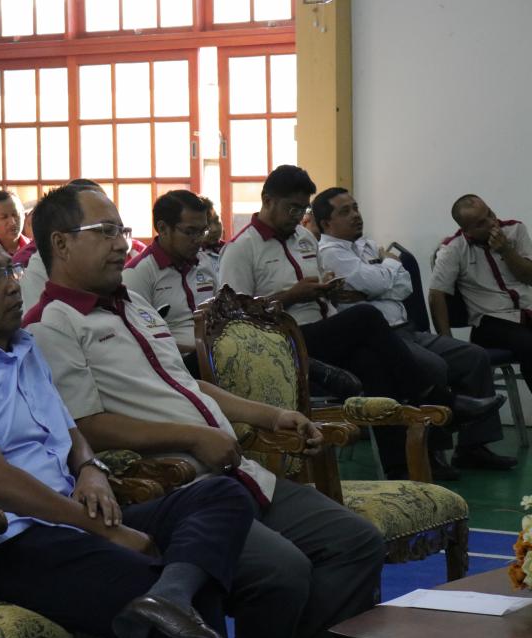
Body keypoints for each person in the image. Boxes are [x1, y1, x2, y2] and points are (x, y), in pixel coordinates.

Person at [23, 184, 384, 638]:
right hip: (179, 488)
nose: (121, 244)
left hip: (236, 471)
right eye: (107, 231)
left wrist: (269, 416)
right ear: (60, 242)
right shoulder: (50, 323)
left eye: (122, 230)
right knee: (282, 572)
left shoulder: (131, 303)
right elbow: (87, 425)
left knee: (355, 542)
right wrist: (192, 437)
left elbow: (185, 382)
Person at [0, 220, 255, 638]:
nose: (13, 285)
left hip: (67, 517)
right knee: (167, 585)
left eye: (10, 269)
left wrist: (89, 468)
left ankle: (171, 595)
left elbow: (67, 427)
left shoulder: (21, 348)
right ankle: (170, 596)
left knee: (220, 493)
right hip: (3, 543)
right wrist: (106, 530)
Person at [217, 166, 502, 473]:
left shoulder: (303, 237)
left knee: (373, 364)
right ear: (267, 200)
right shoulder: (241, 249)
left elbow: (326, 283)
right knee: (366, 316)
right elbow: (234, 319)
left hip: (321, 330)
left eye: (302, 209)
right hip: (281, 342)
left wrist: (327, 290)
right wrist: (291, 296)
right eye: (291, 208)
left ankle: (400, 466)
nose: (297, 215)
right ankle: (437, 398)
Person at [315, 188, 513, 476]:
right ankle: (430, 455)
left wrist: (374, 286)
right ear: (326, 224)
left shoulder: (367, 245)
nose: (356, 215)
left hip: (408, 330)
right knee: (434, 367)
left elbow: (403, 286)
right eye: (344, 211)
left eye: (355, 207)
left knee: (474, 357)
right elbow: (379, 282)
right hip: (381, 340)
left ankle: (473, 448)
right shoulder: (330, 253)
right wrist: (390, 266)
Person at [430, 194, 532, 402]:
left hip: (526, 312)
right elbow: (436, 295)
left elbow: (529, 276)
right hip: (489, 321)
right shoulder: (453, 249)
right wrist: (447, 341)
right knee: (530, 345)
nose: (492, 223)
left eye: (490, 214)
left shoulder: (515, 230)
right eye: (481, 223)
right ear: (467, 230)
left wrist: (506, 250)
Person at [123, 190, 218, 357]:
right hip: (175, 363)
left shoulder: (204, 262)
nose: (198, 239)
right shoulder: (137, 274)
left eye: (202, 231)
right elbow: (136, 339)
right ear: (163, 228)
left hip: (217, 354)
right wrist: (199, 349)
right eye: (190, 232)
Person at [0, 190, 29, 256]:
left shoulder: (34, 249)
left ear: (23, 215)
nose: (12, 222)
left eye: (15, 215)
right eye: (4, 217)